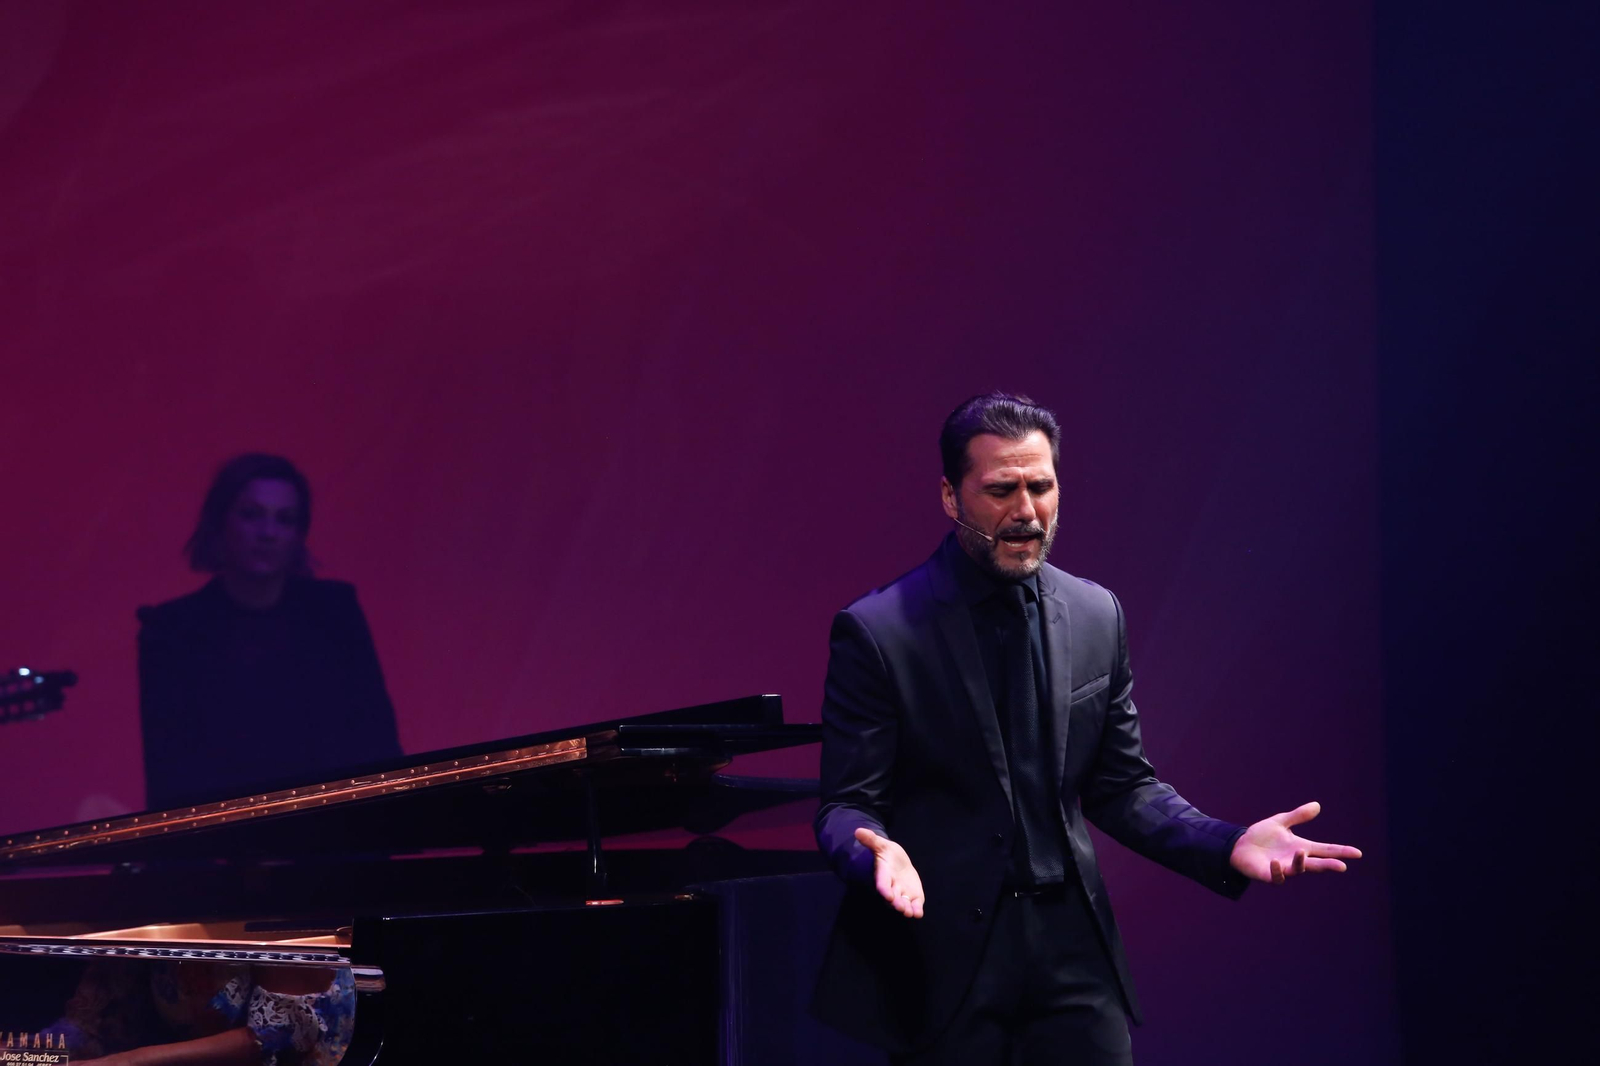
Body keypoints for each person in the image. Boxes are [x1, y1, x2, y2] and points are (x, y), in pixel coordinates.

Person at [812, 393, 1361, 1064]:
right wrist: (874, 854)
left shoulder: (1097, 614)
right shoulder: (879, 632)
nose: (1026, 512)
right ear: (952, 498)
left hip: (1073, 949)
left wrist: (1225, 844)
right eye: (1000, 490)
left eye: (1041, 487)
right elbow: (847, 804)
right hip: (943, 953)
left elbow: (1122, 785)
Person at [137, 453, 403, 811]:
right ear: (220, 523)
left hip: (334, 834)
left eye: (284, 519)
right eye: (251, 515)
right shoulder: (174, 630)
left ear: (298, 534)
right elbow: (170, 772)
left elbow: (376, 739)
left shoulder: (334, 613)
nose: (267, 533)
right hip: (224, 843)